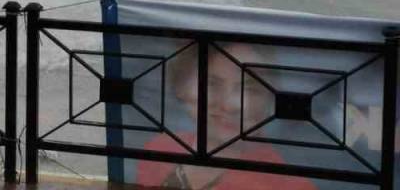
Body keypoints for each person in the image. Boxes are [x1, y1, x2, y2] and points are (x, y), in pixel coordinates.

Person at [135, 43, 317, 190]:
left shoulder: (290, 186)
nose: (230, 104)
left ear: (271, 100)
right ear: (183, 88)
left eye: (250, 89)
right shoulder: (159, 149)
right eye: (212, 84)